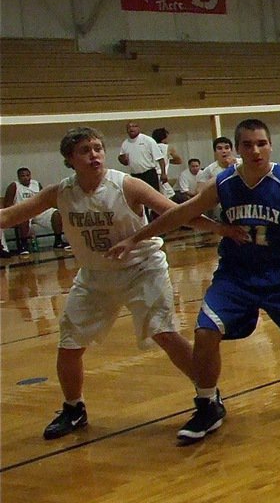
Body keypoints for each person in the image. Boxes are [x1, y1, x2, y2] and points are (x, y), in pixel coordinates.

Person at [107, 118, 280, 444]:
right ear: (238, 149)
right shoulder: (224, 183)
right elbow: (181, 213)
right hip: (236, 275)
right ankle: (207, 403)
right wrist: (136, 239)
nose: (255, 150)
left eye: (261, 144)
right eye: (247, 145)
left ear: (270, 146)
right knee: (205, 331)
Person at [0, 127, 241, 440]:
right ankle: (74, 408)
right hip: (94, 275)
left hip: (142, 268)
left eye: (98, 148)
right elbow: (8, 217)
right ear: (70, 159)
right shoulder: (60, 192)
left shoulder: (125, 184)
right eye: (85, 150)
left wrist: (221, 229)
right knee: (69, 344)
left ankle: (208, 397)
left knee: (164, 332)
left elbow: (178, 213)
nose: (95, 155)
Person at [4, 167, 69, 251]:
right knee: (22, 218)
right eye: (23, 176)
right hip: (23, 211)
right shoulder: (14, 186)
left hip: (37, 210)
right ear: (18, 177)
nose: (26, 177)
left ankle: (58, 241)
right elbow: (8, 204)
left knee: (56, 213)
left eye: (28, 175)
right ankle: (23, 245)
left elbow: (44, 199)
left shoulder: (36, 184)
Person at [118, 121, 166, 216]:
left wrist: (164, 173)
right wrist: (122, 159)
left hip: (149, 174)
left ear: (139, 128)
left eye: (134, 126)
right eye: (129, 127)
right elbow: (122, 159)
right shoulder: (125, 143)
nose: (132, 129)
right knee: (140, 202)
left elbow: (160, 158)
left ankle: (160, 225)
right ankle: (146, 224)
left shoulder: (148, 140)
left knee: (155, 201)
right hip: (135, 176)